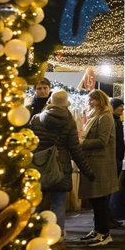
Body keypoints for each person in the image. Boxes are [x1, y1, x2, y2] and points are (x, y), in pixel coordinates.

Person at [30, 89, 94, 232]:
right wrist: (87, 171)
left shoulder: (36, 119)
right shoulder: (69, 121)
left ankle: (35, 233)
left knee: (38, 202)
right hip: (60, 166)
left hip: (39, 165)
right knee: (58, 203)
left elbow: (29, 144)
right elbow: (75, 149)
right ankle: (57, 234)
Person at [79, 89, 118, 246]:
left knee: (100, 200)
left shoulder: (105, 117)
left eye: (92, 100)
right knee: (95, 201)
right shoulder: (93, 116)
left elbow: (102, 141)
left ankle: (104, 233)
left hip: (100, 164)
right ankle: (97, 230)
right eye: (89, 99)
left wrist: (81, 143)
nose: (89, 102)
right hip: (93, 163)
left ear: (100, 101)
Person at [109, 98, 125, 229]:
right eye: (120, 106)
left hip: (117, 158)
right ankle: (107, 217)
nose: (123, 109)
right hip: (113, 158)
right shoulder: (111, 120)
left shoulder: (117, 120)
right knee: (109, 190)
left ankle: (109, 216)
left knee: (112, 189)